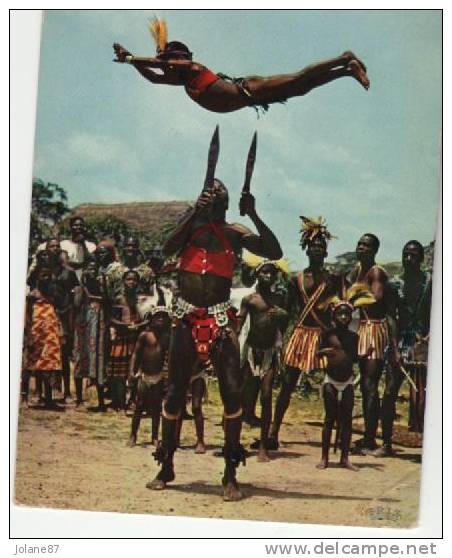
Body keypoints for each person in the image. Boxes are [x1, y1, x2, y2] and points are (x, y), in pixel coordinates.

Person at [147, 136, 282, 500]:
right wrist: (193, 210)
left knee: (232, 391)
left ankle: (229, 474)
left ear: (224, 203)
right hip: (186, 318)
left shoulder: (234, 232)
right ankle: (166, 465)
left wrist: (253, 213)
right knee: (174, 391)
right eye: (208, 193)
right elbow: (166, 248)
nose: (213, 196)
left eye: (217, 195)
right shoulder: (191, 228)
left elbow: (274, 250)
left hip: (221, 320)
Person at [113, 18, 370, 115]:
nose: (164, 69)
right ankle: (347, 71)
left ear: (175, 59)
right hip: (251, 100)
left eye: (167, 63)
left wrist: (131, 58)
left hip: (249, 88)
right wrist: (131, 63)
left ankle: (343, 58)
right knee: (302, 89)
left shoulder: (190, 67)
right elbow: (154, 77)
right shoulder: (182, 81)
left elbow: (158, 64)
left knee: (298, 78)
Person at [268, 217, 340, 449]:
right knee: (288, 384)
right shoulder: (295, 279)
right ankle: (273, 432)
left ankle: (336, 438)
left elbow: (339, 309)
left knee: (334, 384)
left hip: (323, 335)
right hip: (300, 335)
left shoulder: (333, 280)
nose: (317, 249)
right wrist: (280, 339)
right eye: (313, 246)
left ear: (326, 252)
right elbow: (288, 311)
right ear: (306, 250)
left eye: (321, 246)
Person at [376, 240, 432, 456]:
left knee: (425, 396)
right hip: (400, 341)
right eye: (405, 254)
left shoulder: (430, 282)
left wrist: (428, 338)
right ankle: (386, 442)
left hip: (425, 341)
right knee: (390, 391)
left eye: (413, 255)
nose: (408, 259)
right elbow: (390, 316)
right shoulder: (394, 284)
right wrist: (395, 348)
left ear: (421, 258)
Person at [345, 234, 398, 455]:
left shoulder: (375, 272)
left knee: (369, 384)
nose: (361, 248)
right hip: (361, 327)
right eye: (359, 244)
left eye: (366, 245)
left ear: (375, 250)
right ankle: (367, 437)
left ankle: (369, 439)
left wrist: (351, 297)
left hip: (374, 328)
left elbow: (375, 298)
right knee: (365, 385)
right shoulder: (357, 270)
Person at [316, 284, 376, 471]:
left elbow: (354, 358)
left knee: (347, 420)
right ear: (334, 316)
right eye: (340, 314)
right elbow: (317, 354)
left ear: (351, 317)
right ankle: (324, 457)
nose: (343, 317)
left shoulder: (353, 337)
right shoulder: (327, 334)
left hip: (347, 382)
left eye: (346, 314)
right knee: (329, 419)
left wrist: (366, 355)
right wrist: (324, 352)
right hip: (331, 382)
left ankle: (344, 458)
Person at [238, 258, 289, 462]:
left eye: (272, 273)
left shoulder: (279, 299)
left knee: (266, 396)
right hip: (251, 352)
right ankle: (235, 443)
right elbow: (239, 323)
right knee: (246, 397)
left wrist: (282, 315)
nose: (268, 276)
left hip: (269, 353)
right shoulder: (250, 299)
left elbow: (284, 324)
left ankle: (263, 446)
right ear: (257, 275)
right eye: (265, 272)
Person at [128, 307, 171, 447]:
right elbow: (135, 354)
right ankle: (133, 435)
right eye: (157, 317)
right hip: (144, 375)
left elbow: (170, 356)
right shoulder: (145, 335)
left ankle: (154, 436)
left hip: (158, 376)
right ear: (151, 320)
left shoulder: (166, 337)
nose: (160, 320)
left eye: (164, 317)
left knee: (156, 407)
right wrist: (132, 371)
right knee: (139, 405)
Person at [24, 265, 65, 409]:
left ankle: (48, 398)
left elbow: (60, 309)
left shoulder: (53, 294)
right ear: (37, 278)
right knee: (32, 364)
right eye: (43, 275)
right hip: (36, 332)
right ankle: (25, 395)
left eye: (48, 276)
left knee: (49, 365)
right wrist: (28, 333)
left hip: (50, 333)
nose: (46, 278)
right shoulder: (32, 295)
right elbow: (28, 315)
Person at [107, 270, 148, 410]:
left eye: (135, 280)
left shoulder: (142, 300)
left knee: (136, 370)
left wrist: (139, 326)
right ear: (124, 281)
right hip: (121, 337)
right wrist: (124, 326)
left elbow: (148, 319)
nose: (132, 282)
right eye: (129, 279)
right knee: (119, 373)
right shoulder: (118, 299)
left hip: (137, 338)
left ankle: (134, 400)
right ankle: (119, 401)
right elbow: (111, 318)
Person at [73, 259, 110, 411]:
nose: (92, 270)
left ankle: (100, 401)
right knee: (81, 357)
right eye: (89, 267)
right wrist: (83, 286)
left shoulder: (102, 284)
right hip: (83, 323)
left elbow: (108, 301)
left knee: (99, 360)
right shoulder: (81, 286)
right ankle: (79, 399)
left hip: (98, 324)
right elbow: (76, 304)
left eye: (95, 268)